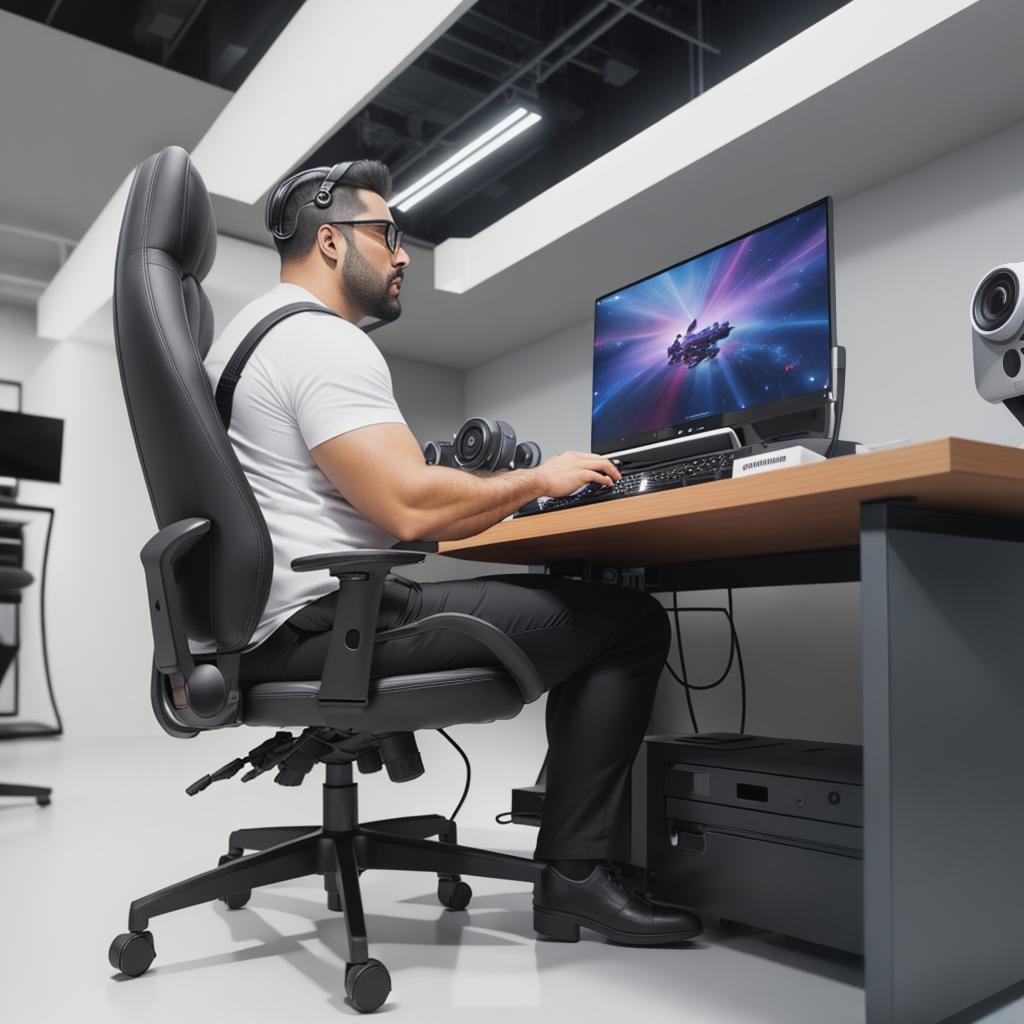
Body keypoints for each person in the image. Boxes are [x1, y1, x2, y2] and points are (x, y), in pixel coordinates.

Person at [203, 159, 701, 946]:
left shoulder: (246, 336)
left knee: (579, 605)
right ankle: (573, 881)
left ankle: (575, 862)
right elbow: (405, 507)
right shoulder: (321, 341)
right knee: (630, 621)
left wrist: (487, 492)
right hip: (329, 627)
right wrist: (538, 478)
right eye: (387, 235)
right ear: (330, 242)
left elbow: (385, 500)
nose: (404, 256)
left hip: (267, 633)